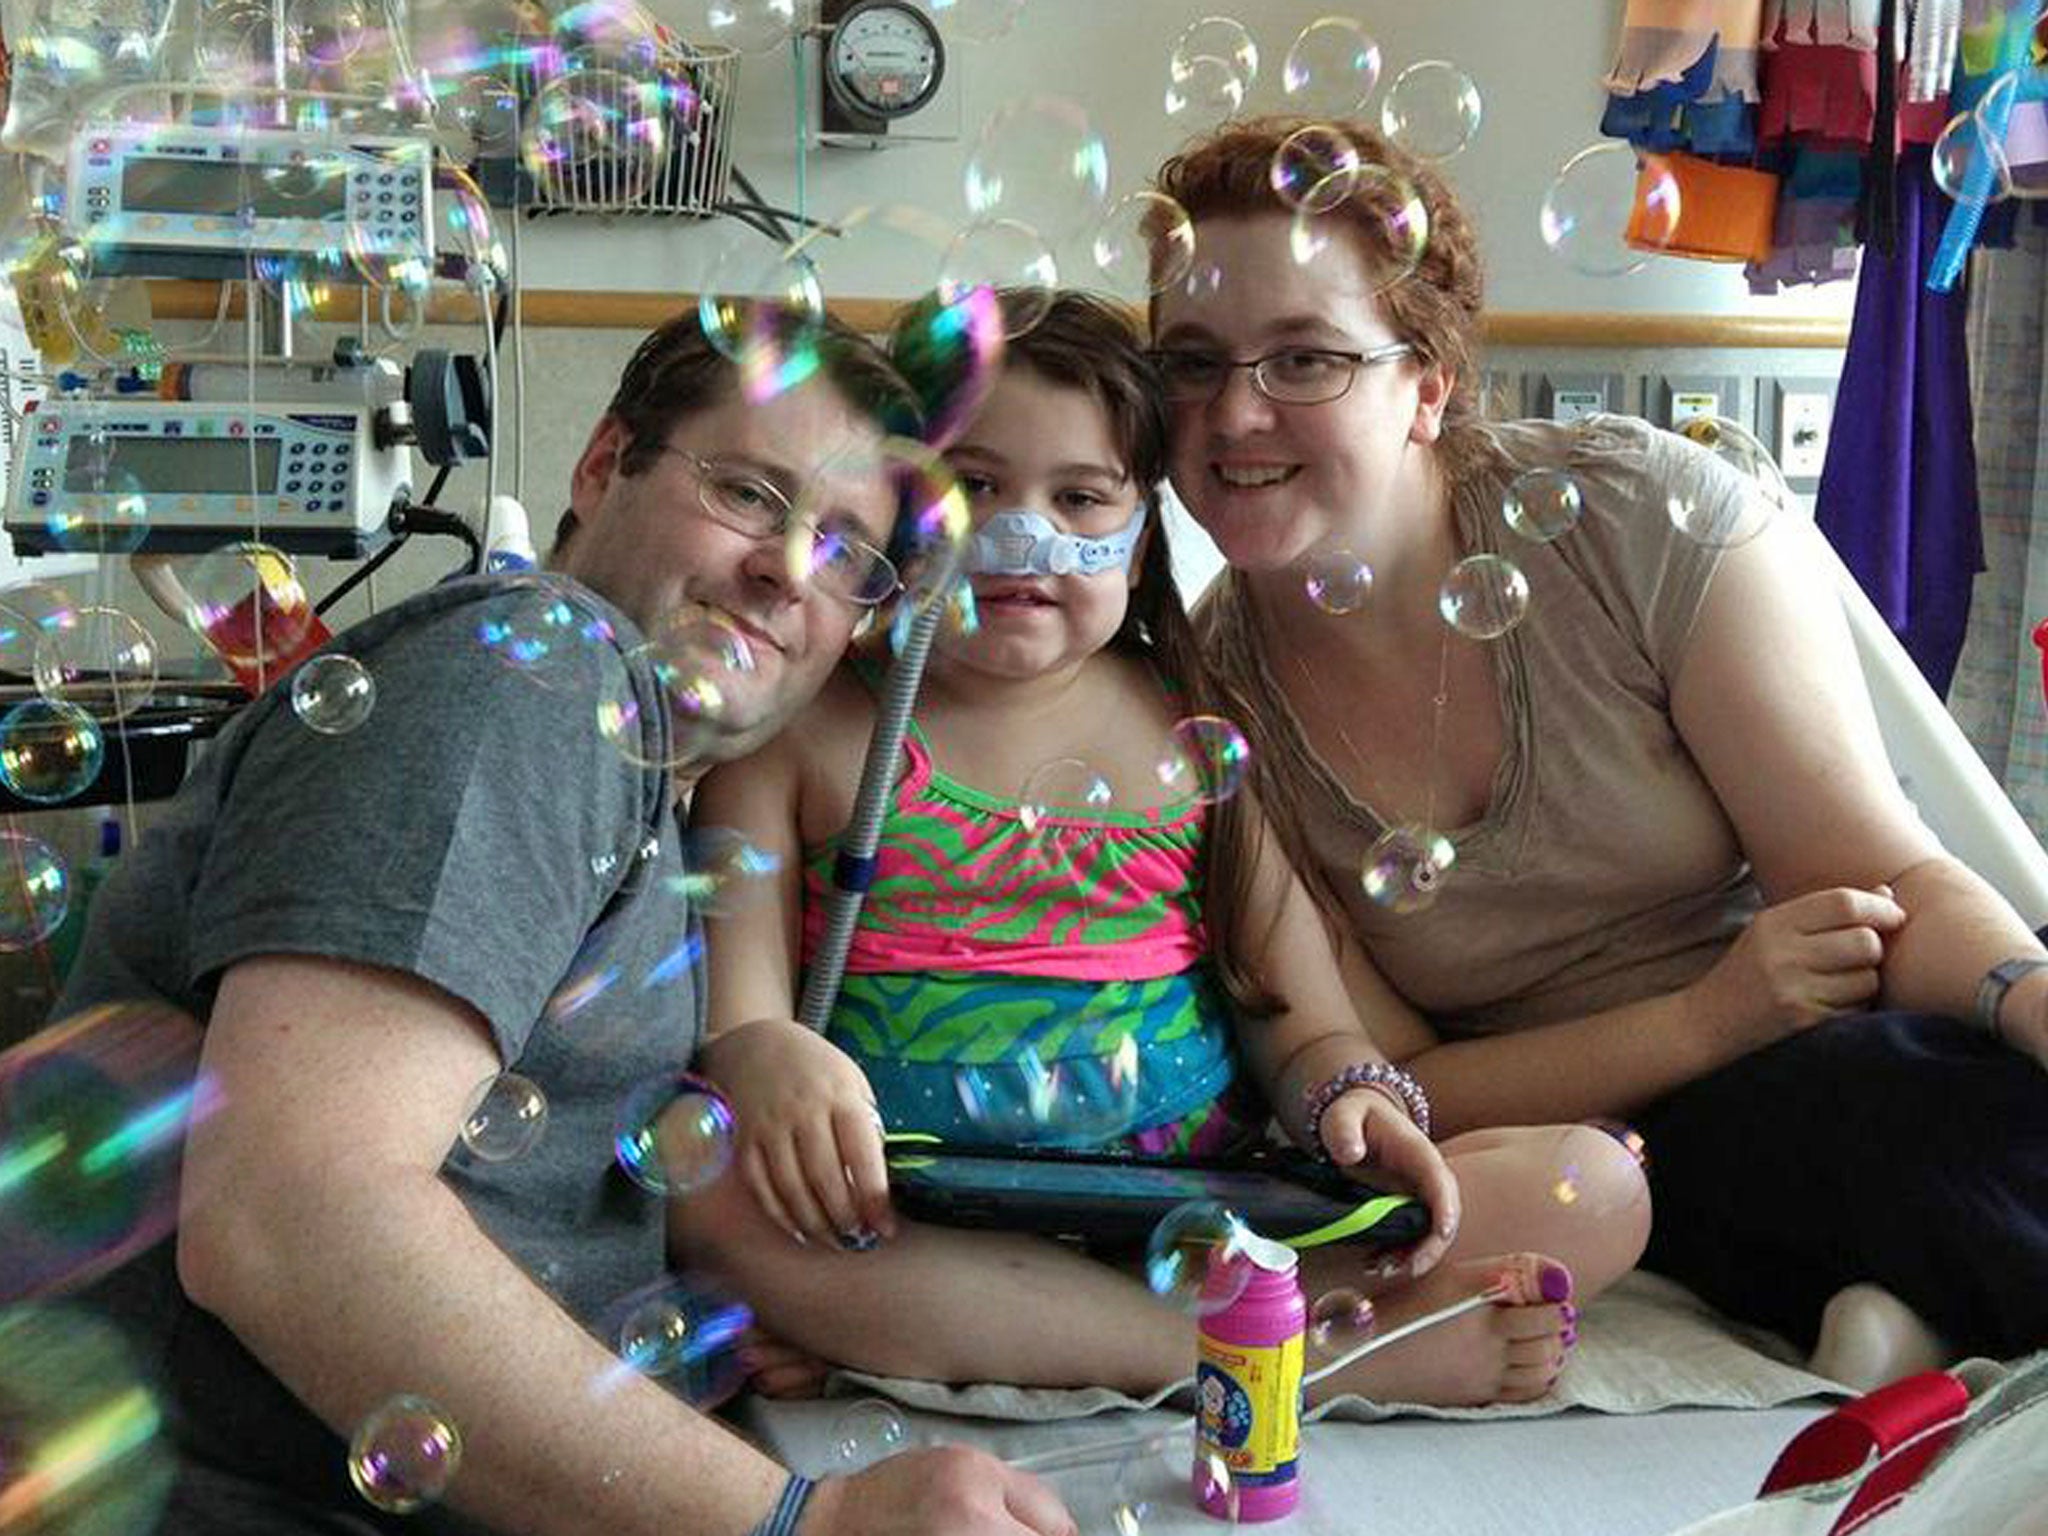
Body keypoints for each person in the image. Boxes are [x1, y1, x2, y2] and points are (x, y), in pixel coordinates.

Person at [51, 305, 1076, 1536]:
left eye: (849, 553)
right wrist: (810, 1523)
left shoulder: (635, 783)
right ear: (602, 467)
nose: (788, 571)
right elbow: (287, 1215)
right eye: (750, 493)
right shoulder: (530, 674)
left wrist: (694, 1333)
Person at [1147, 114, 2048, 1383]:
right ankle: (1913, 1294)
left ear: (1428, 383)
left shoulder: (1640, 524)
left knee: (1941, 1079)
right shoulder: (1203, 716)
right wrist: (1707, 1020)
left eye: (1303, 360)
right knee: (1836, 1120)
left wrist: (2026, 999)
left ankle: (1912, 1310)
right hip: (1602, 1145)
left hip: (1849, 1034)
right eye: (1190, 364)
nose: (1233, 414)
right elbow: (1396, 1092)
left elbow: (1880, 887)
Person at [672, 289, 1649, 1410]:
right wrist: (764, 1056)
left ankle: (989, 1333)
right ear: (896, 503)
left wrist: (1348, 1096)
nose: (1022, 533)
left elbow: (1300, 1013)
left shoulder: (1188, 719)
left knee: (1593, 1186)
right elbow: (738, 1022)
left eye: (1080, 497)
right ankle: (1302, 1353)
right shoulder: (803, 734)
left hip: (1189, 1205)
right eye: (975, 486)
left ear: (1139, 542)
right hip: (910, 1202)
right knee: (708, 1197)